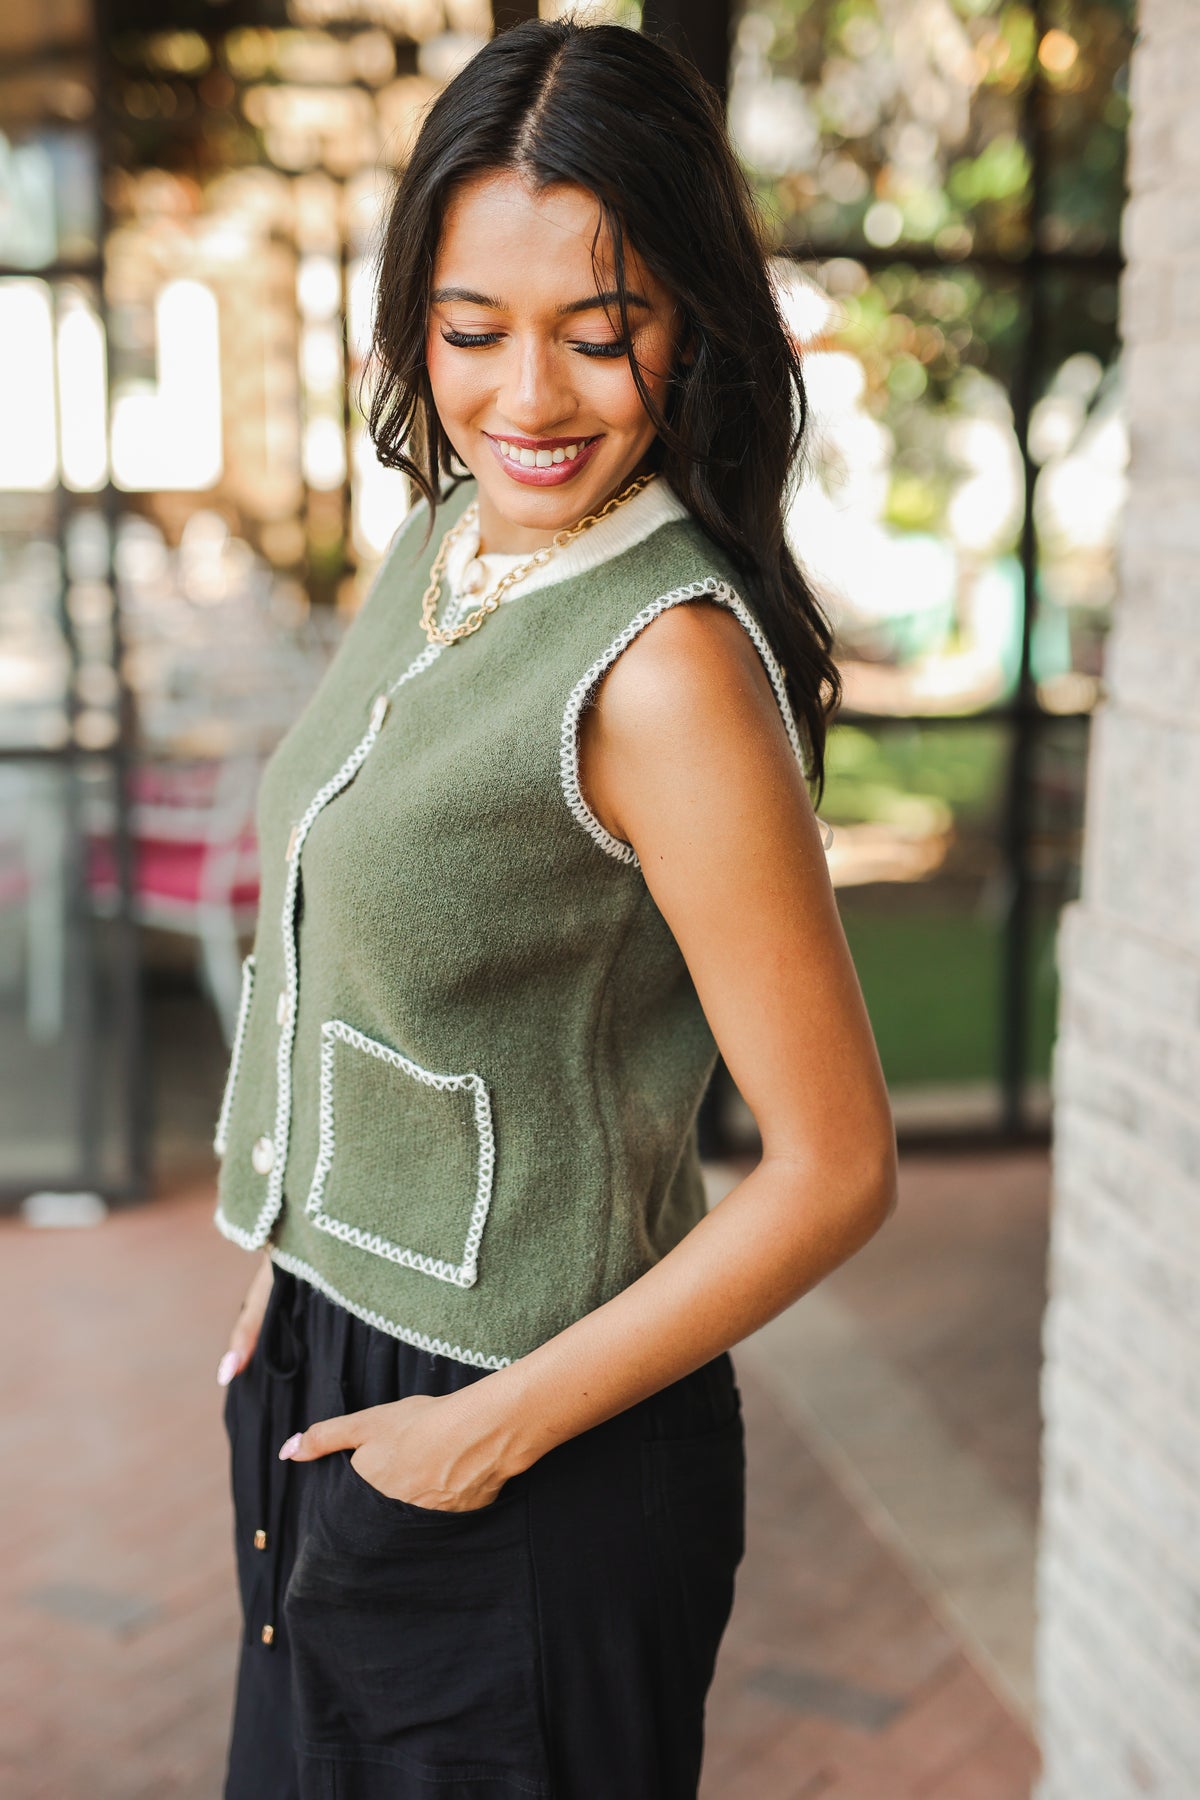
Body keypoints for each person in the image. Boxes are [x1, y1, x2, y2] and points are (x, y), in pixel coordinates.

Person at [211, 16, 897, 1800]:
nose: (529, 400)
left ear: (693, 328)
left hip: (530, 1443)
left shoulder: (662, 670)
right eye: (471, 333)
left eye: (604, 335)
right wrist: (299, 1252)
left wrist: (474, 1438)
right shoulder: (444, 541)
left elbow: (836, 1170)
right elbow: (332, 919)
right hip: (335, 1366)